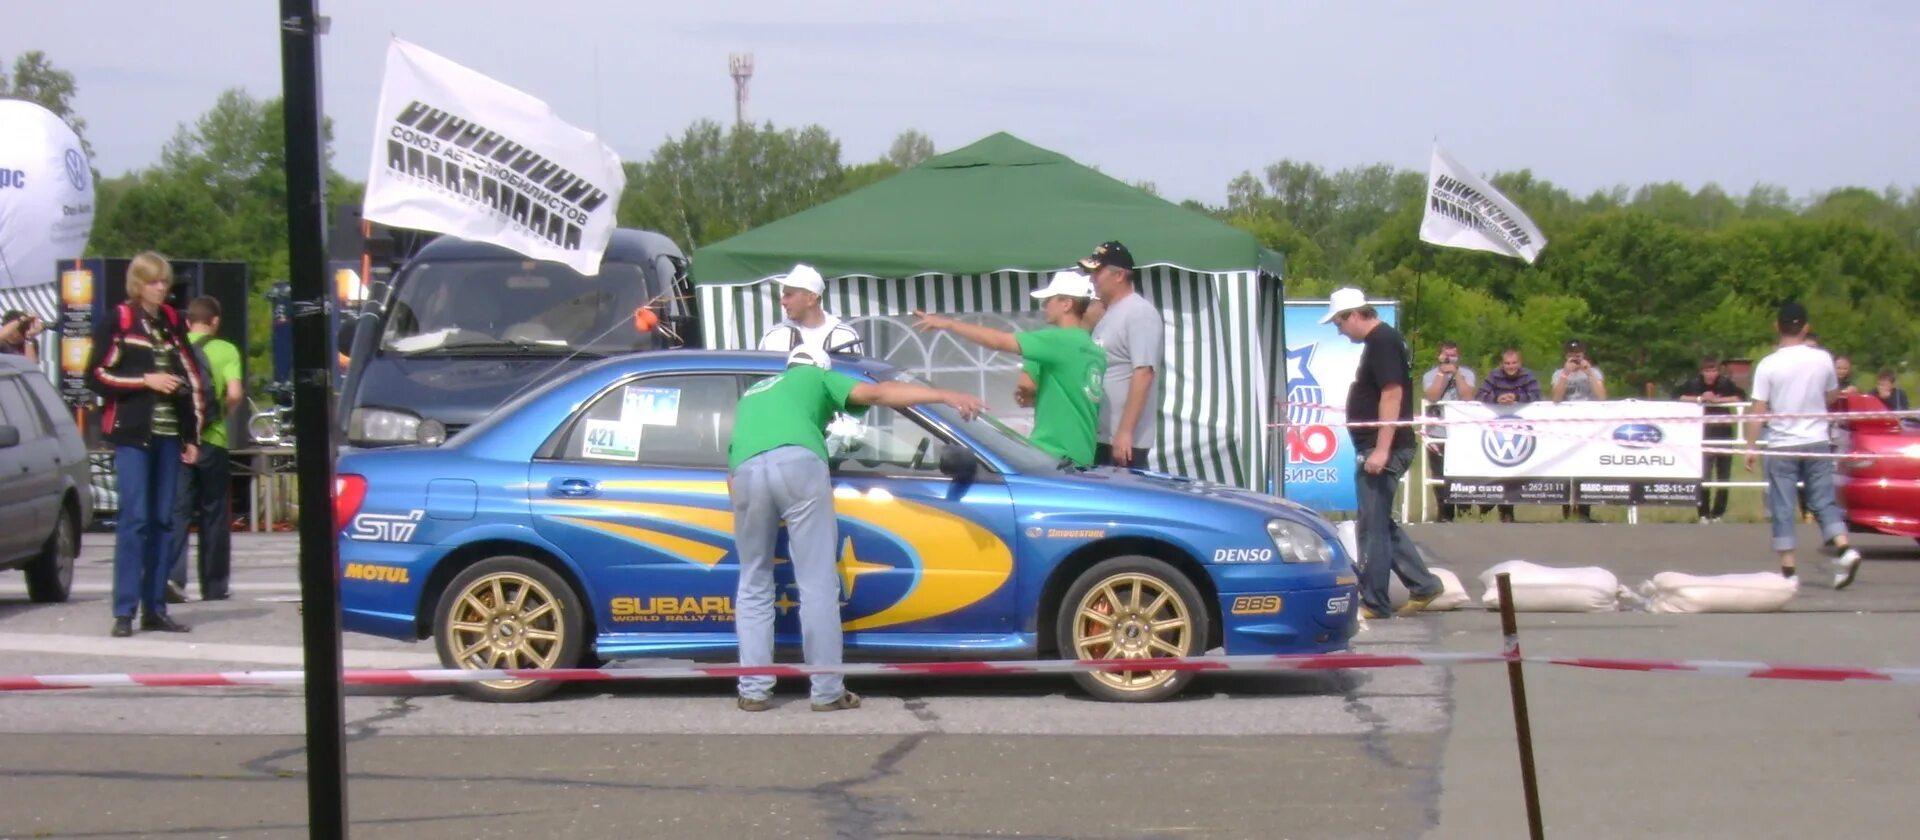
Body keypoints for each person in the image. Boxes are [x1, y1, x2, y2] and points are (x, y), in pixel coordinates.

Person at [728, 346, 984, 712]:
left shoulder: (754, 393)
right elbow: (877, 393)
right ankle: (827, 691)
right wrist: (944, 394)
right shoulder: (815, 375)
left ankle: (753, 690)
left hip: (745, 472)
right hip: (798, 463)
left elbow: (733, 473)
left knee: (754, 580)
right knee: (816, 581)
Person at [86, 252, 207, 637]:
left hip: (169, 435)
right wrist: (145, 380)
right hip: (133, 434)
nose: (161, 288)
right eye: (154, 282)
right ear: (138, 284)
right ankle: (124, 610)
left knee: (163, 520)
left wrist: (192, 435)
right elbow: (96, 374)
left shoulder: (172, 321)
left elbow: (191, 376)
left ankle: (155, 607)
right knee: (135, 519)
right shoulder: (120, 319)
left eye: (164, 282)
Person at [1323, 288, 1443, 619]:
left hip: (1384, 447)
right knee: (1379, 522)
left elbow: (1392, 393)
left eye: (1339, 323)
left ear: (1353, 314)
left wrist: (1381, 449)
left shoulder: (1382, 342)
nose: (1339, 330)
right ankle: (1423, 584)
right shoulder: (1381, 341)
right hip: (1381, 445)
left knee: (1371, 528)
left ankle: (1374, 600)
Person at [912, 270, 1105, 466]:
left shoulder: (1058, 341)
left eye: (1049, 300)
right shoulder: (1095, 351)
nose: (1044, 305)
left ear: (1067, 304)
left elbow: (999, 342)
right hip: (1082, 455)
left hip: (1054, 455)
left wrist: (948, 324)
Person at [1743, 302, 1862, 588]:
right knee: (1823, 500)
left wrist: (1751, 445)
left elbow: (1758, 409)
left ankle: (1789, 571)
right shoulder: (1822, 359)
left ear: (1777, 326)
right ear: (1806, 328)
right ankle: (1844, 548)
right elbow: (1832, 396)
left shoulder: (1768, 364)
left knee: (1783, 505)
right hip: (1816, 440)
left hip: (1782, 443)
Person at [166, 297, 243, 602]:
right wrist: (222, 414)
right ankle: (214, 585)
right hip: (214, 440)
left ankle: (173, 579)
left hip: (181, 440)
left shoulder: (175, 348)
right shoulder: (226, 349)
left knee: (178, 510)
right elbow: (234, 392)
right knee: (214, 512)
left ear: (188, 322)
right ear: (215, 321)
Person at [1080, 241, 1162, 468]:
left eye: (1098, 272)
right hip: (1103, 436)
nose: (1092, 279)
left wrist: (1125, 432)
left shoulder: (1139, 312)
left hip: (1124, 442)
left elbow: (1143, 373)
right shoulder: (1107, 314)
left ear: (1119, 275)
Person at [1474, 347, 1542, 522]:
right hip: (1496, 429)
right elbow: (1479, 396)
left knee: (1514, 470)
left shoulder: (1528, 375)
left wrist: (1516, 397)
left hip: (1521, 429)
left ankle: (1507, 512)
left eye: (1514, 363)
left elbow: (1537, 396)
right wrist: (1496, 399)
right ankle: (1488, 507)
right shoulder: (1493, 375)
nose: (1510, 366)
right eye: (1507, 363)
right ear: (1501, 364)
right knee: (1497, 468)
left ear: (1520, 363)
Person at [1677, 355, 1747, 523]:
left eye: (1713, 370)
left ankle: (1718, 513)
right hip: (1703, 434)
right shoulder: (1694, 384)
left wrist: (1718, 400)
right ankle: (1703, 513)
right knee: (1704, 476)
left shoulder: (1725, 383)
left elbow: (1740, 397)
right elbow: (1677, 396)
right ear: (1701, 371)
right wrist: (1700, 399)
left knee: (1723, 476)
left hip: (1724, 434)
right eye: (1707, 371)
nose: (1711, 374)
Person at [1550, 340, 1606, 522]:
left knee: (1586, 467)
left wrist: (1588, 372)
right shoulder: (1559, 373)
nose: (1576, 357)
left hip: (1589, 425)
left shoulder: (1594, 372)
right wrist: (1566, 374)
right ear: (1566, 356)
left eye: (1579, 354)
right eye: (1572, 354)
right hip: (1567, 426)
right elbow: (1556, 398)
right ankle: (1567, 511)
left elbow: (1602, 397)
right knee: (1567, 467)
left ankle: (1584, 511)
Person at [1420, 341, 1476, 522]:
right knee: (1439, 473)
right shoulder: (1430, 375)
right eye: (1446, 355)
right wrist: (1442, 373)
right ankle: (1444, 512)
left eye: (1453, 355)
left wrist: (1456, 373)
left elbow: (1468, 396)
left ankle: (1464, 510)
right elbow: (1432, 396)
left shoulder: (1467, 374)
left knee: (1463, 472)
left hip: (1461, 432)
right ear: (1439, 356)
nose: (1449, 359)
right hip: (1437, 432)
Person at [756, 263, 862, 355]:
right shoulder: (774, 337)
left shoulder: (845, 336)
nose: (782, 302)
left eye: (788, 295)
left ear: (811, 299)